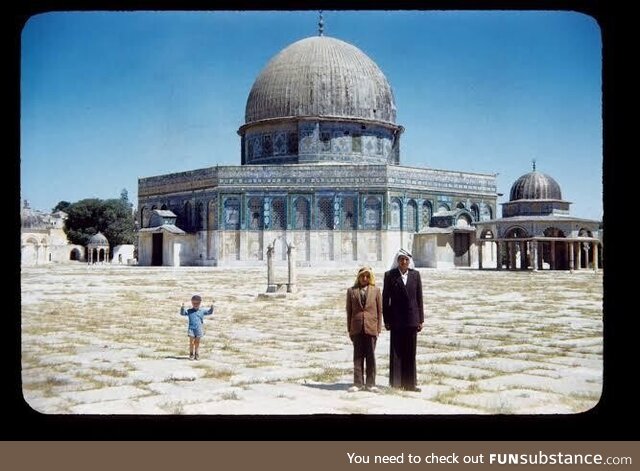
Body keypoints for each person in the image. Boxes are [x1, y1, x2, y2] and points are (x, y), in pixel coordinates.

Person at [382, 249, 424, 392]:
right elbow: (385, 299)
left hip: (412, 319)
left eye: (406, 260)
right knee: (396, 351)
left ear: (409, 261)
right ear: (397, 261)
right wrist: (386, 319)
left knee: (410, 352)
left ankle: (410, 383)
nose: (404, 262)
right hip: (396, 319)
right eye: (401, 259)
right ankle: (396, 383)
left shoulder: (415, 275)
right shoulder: (390, 276)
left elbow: (419, 299)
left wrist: (421, 319)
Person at [345, 266, 383, 392]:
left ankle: (371, 384)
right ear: (358, 277)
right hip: (357, 328)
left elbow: (379, 311)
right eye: (362, 276)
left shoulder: (376, 290)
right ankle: (358, 383)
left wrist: (378, 328)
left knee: (370, 357)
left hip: (371, 327)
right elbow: (349, 312)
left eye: (367, 276)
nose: (364, 278)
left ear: (370, 277)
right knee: (358, 357)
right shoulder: (351, 291)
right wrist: (350, 329)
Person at [180, 294, 214, 360]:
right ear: (192, 303)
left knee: (197, 342)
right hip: (191, 329)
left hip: (199, 329)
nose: (195, 304)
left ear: (200, 303)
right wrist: (182, 307)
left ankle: (197, 354)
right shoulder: (189, 311)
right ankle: (191, 354)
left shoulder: (202, 311)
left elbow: (209, 312)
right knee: (191, 342)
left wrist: (212, 307)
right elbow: (182, 313)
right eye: (194, 303)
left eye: (197, 303)